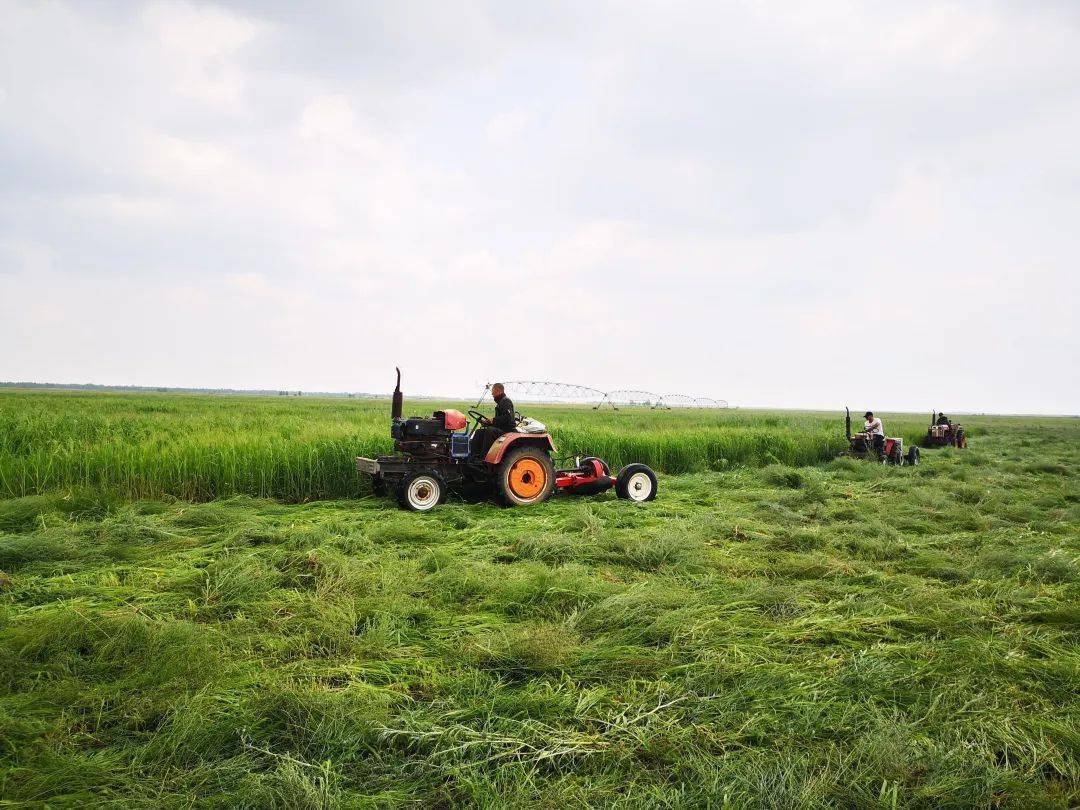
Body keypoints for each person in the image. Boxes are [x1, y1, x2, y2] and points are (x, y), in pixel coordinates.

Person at [472, 383, 516, 457]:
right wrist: (488, 423)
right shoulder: (500, 402)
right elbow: (500, 420)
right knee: (479, 432)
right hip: (501, 428)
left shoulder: (506, 401)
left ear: (499, 391)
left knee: (490, 431)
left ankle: (484, 457)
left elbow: (508, 417)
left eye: (493, 391)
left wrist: (493, 420)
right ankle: (474, 454)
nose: (492, 394)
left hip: (507, 430)